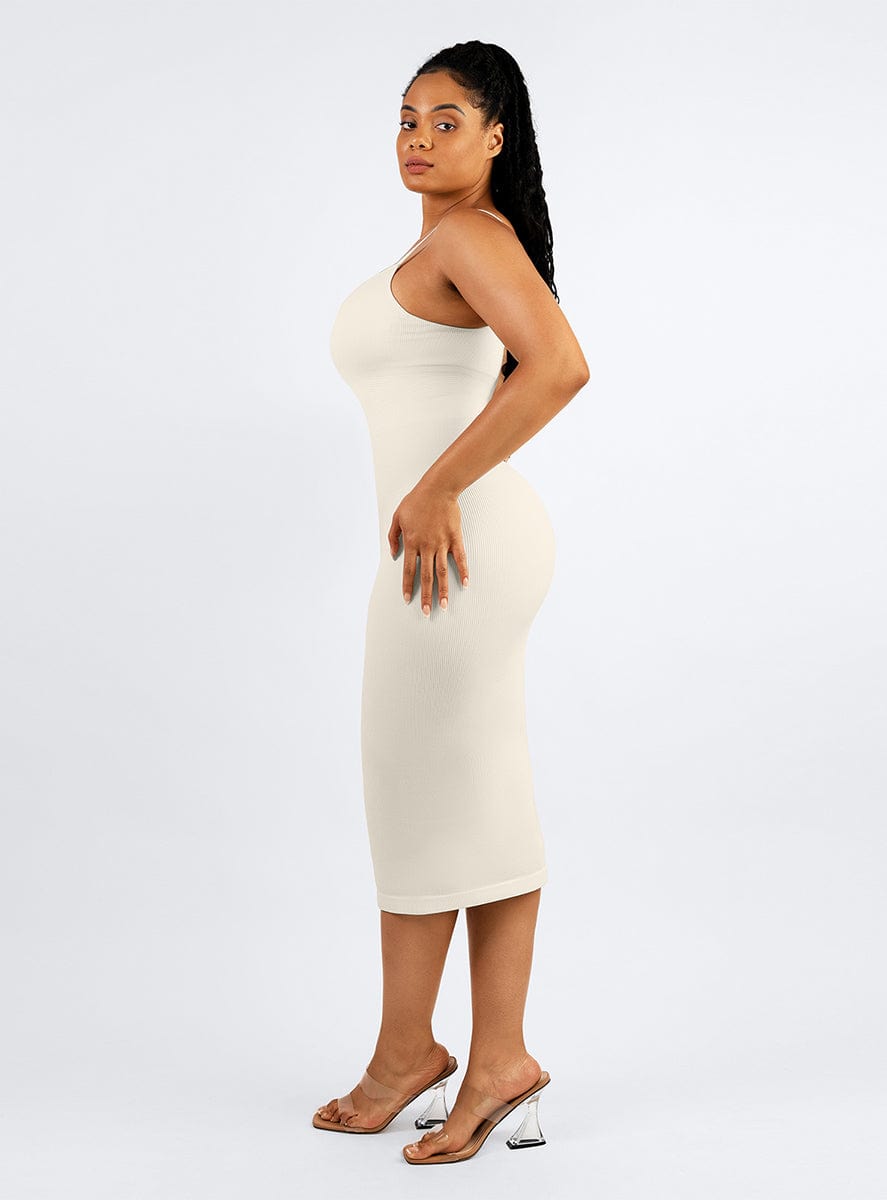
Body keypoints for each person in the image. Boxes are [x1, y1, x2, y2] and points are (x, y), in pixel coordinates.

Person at [317, 40, 590, 1164]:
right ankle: (433, 1054)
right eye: (406, 118)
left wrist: (435, 488)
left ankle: (470, 1057)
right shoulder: (442, 244)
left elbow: (559, 365)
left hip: (458, 547)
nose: (418, 138)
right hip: (443, 550)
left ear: (495, 138)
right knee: (437, 786)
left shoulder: (473, 236)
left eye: (446, 120)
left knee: (440, 785)